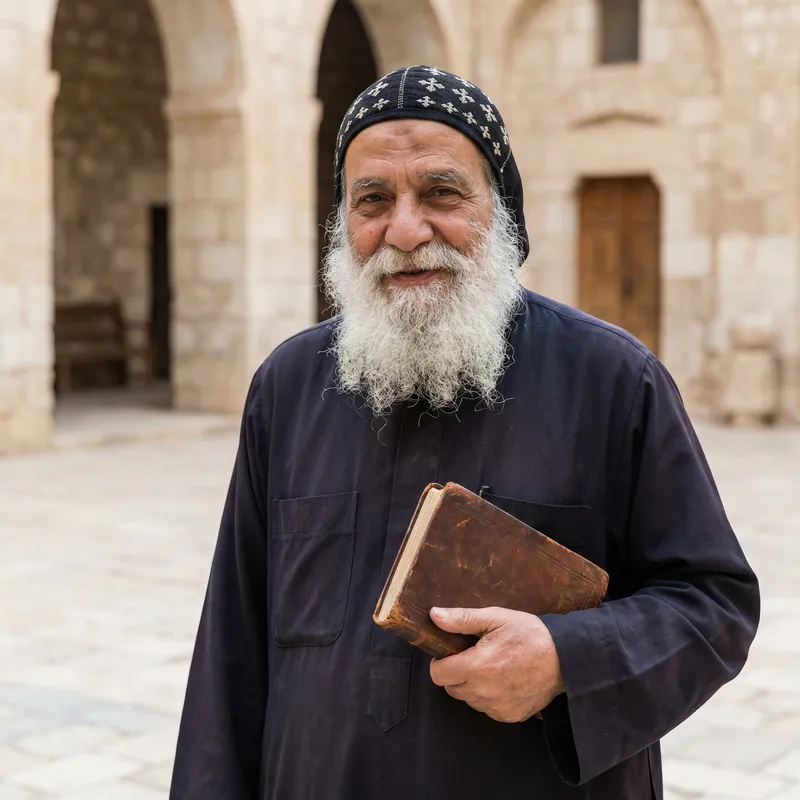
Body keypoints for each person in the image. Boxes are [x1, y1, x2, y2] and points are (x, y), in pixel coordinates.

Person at [169, 65, 759, 799]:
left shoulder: (612, 379)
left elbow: (713, 604)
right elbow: (231, 649)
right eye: (373, 200)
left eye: (441, 194)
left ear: (501, 209)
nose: (406, 231)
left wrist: (566, 658)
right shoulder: (287, 386)